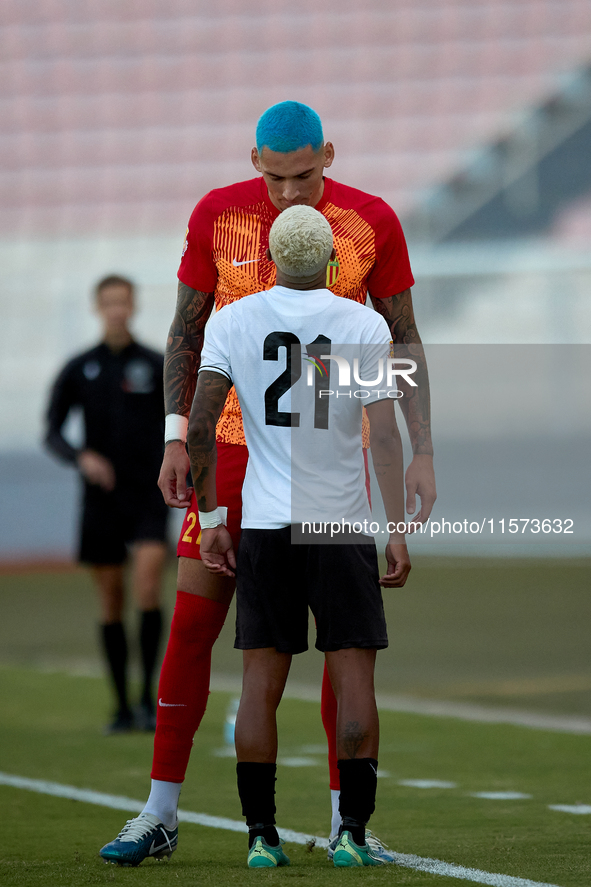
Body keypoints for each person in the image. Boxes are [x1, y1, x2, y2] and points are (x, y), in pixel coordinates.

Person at [99, 100, 435, 866]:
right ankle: (159, 811)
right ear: (255, 161)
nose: (290, 193)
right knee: (192, 626)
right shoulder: (216, 214)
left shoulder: (371, 220)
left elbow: (402, 329)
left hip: (324, 458)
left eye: (306, 176)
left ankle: (343, 820)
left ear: (329, 156)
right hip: (227, 453)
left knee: (334, 640)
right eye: (277, 177)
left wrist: (418, 445)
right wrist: (175, 437)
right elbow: (186, 328)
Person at [188, 205, 411, 867]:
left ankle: (261, 836)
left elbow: (201, 427)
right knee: (353, 678)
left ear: (271, 255)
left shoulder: (231, 320)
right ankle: (351, 834)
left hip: (261, 521)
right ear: (332, 260)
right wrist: (395, 529)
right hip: (338, 521)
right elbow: (386, 437)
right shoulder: (363, 323)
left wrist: (212, 519)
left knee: (260, 682)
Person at [45, 275, 169, 735]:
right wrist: (82, 458)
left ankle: (148, 699)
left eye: (123, 301)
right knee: (112, 598)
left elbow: (179, 422)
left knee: (149, 585)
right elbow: (52, 431)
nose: (117, 309)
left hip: (148, 495)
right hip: (100, 500)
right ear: (99, 307)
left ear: (133, 305)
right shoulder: (80, 368)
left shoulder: (155, 364)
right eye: (109, 302)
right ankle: (121, 705)